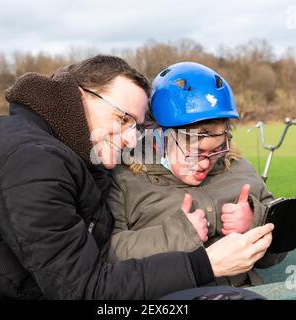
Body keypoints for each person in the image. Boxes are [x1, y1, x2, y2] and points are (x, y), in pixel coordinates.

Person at [0, 56, 274, 299]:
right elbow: (84, 288)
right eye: (122, 119)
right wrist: (204, 263)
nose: (129, 139)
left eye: (136, 128)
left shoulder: (75, 157)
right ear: (81, 94)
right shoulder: (32, 158)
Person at [105, 62, 285, 286]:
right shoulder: (124, 180)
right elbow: (109, 255)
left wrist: (254, 221)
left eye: (216, 149)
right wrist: (179, 235)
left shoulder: (238, 168)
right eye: (194, 151)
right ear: (157, 137)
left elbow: (279, 250)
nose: (204, 163)